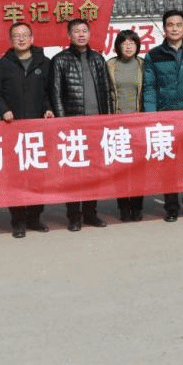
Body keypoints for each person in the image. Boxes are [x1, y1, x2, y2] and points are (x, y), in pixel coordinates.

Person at [0, 22, 54, 238]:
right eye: (17, 35)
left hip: (38, 130)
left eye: (25, 35)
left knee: (38, 176)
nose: (21, 38)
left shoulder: (45, 63)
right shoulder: (1, 65)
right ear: (10, 40)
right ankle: (17, 220)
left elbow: (49, 92)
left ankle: (35, 217)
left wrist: (49, 109)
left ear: (32, 38)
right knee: (14, 177)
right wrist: (3, 110)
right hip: (11, 129)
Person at [143, 9, 183, 222]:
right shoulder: (154, 55)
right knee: (168, 164)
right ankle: (171, 207)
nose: (174, 29)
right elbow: (150, 87)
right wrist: (152, 116)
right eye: (170, 25)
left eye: (178, 25)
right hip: (166, 117)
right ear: (164, 29)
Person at [50, 18, 115, 231]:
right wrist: (63, 122)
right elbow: (56, 94)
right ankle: (74, 216)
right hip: (73, 127)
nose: (81, 34)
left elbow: (106, 91)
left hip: (96, 125)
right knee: (74, 173)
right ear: (69, 35)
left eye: (84, 31)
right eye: (76, 31)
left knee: (94, 172)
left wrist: (107, 120)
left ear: (89, 34)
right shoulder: (60, 60)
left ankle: (90, 213)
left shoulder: (98, 59)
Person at [106, 30, 146, 222]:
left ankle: (137, 206)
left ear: (137, 46)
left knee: (138, 168)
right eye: (124, 43)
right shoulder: (110, 65)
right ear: (118, 46)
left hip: (138, 123)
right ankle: (123, 206)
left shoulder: (143, 65)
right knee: (120, 168)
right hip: (117, 124)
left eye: (132, 43)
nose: (128, 46)